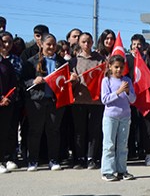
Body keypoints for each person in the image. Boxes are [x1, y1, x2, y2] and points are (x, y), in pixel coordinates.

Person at [21, 33, 68, 171]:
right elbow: (23, 81)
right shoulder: (31, 61)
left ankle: (53, 160)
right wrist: (33, 81)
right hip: (36, 101)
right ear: (41, 44)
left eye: (54, 44)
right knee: (35, 131)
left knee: (53, 131)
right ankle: (32, 160)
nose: (51, 47)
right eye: (48, 44)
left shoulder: (62, 62)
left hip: (55, 101)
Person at [68, 32, 105, 169]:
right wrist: (73, 80)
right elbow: (67, 82)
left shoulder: (100, 60)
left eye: (89, 41)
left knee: (94, 131)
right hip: (78, 100)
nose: (86, 44)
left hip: (96, 101)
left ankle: (91, 157)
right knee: (79, 131)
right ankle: (79, 157)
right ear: (79, 43)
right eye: (83, 41)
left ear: (93, 42)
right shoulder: (73, 61)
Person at [100, 55, 136, 181]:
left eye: (121, 67)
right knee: (109, 144)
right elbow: (104, 99)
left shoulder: (127, 80)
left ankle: (122, 170)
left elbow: (133, 99)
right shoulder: (106, 81)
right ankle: (107, 171)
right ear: (110, 67)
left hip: (125, 116)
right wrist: (118, 91)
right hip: (111, 117)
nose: (118, 70)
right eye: (116, 67)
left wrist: (127, 92)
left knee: (122, 145)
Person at [0, 31, 18, 173]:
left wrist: (8, 98)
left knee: (5, 132)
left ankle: (5, 159)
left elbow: (13, 83)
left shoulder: (6, 63)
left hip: (7, 103)